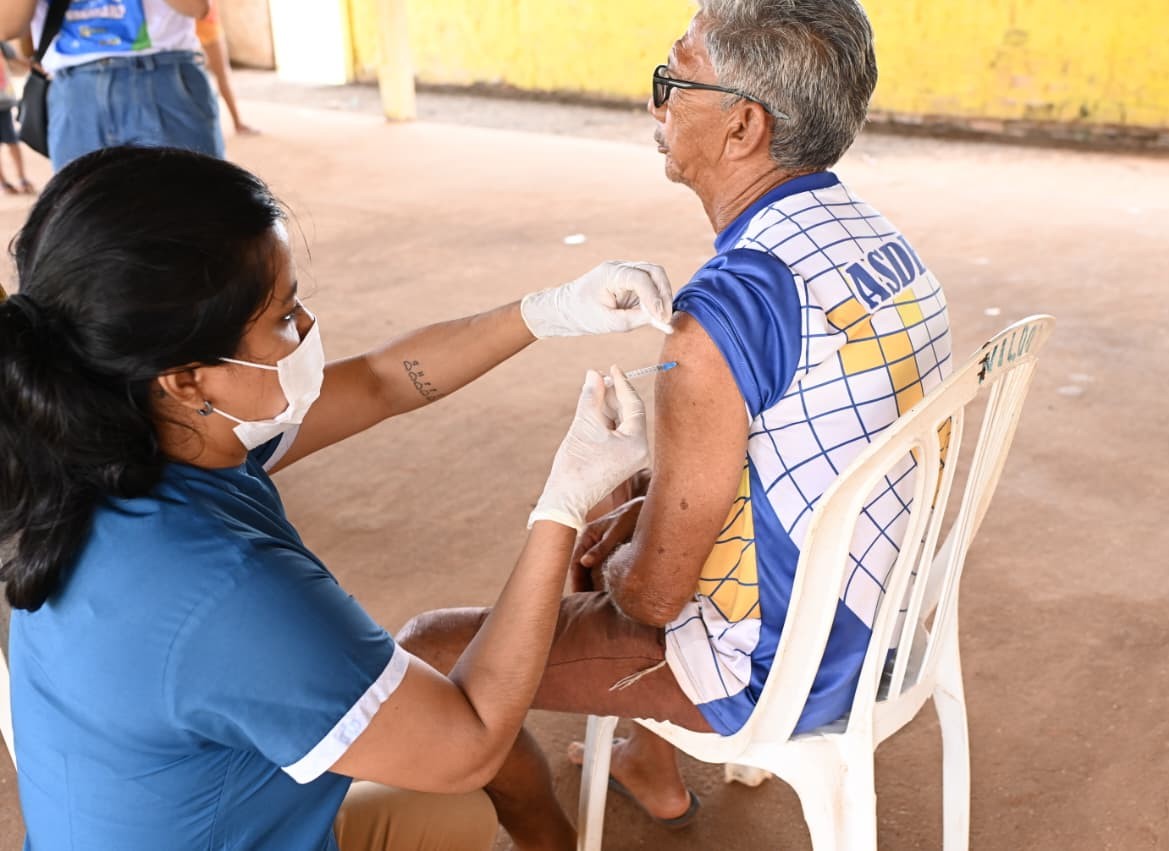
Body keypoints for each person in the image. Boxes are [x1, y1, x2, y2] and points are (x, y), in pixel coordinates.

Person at [0, 145, 675, 849]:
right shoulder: (218, 589)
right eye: (284, 319)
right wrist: (562, 507)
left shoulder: (118, 438)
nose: (309, 332)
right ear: (191, 378)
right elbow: (468, 736)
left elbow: (385, 380)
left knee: (476, 794)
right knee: (475, 760)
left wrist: (551, 311)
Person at [402, 1, 955, 847]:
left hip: (789, 663)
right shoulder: (879, 239)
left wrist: (615, 547)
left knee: (434, 651)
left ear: (742, 126)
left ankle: (555, 827)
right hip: (880, 614)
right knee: (627, 496)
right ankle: (648, 762)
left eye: (672, 83)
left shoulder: (717, 319)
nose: (655, 107)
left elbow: (657, 594)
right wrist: (638, 508)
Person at [0, 1, 223, 170]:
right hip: (75, 90)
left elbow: (197, 7)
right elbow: (7, 26)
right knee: (85, 222)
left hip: (162, 77)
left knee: (192, 214)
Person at [196, 0, 257, 135]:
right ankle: (233, 124)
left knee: (222, 74)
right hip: (189, 27)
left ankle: (237, 123)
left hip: (207, 23)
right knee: (197, 79)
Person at [0, 40, 35, 193]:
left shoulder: (1, 44)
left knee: (12, 140)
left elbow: (15, 59)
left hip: (3, 102)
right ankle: (4, 183)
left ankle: (22, 178)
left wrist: (36, 66)